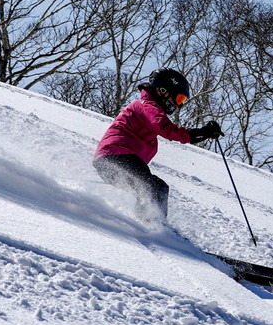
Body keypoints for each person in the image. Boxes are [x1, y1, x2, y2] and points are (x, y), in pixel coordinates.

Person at [94, 67, 221, 218]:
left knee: (148, 189)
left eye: (182, 101)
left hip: (111, 159)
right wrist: (200, 133)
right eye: (178, 98)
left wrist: (200, 135)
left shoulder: (145, 106)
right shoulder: (147, 105)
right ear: (163, 90)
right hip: (117, 155)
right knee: (155, 188)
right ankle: (153, 225)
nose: (178, 105)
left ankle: (146, 223)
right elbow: (166, 129)